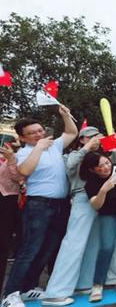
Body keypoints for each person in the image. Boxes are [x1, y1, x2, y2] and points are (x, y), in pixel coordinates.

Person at [41, 126, 116, 306]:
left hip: (102, 199)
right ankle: (56, 292)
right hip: (81, 198)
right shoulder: (73, 155)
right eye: (92, 137)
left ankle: (83, 284)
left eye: (99, 137)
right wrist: (87, 148)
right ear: (82, 139)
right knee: (74, 243)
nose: (97, 140)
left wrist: (115, 149)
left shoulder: (102, 157)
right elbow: (68, 166)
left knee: (93, 243)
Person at [2, 107, 77, 307]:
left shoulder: (54, 146)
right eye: (32, 133)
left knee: (47, 249)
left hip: (59, 204)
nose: (39, 134)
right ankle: (10, 295)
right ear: (23, 138)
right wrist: (38, 147)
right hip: (38, 206)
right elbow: (24, 171)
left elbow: (71, 133)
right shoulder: (24, 153)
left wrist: (65, 115)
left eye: (40, 130)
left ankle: (28, 288)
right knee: (30, 249)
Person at [81, 153, 116, 302]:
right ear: (93, 170)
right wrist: (104, 189)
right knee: (107, 247)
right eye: (101, 166)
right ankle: (97, 284)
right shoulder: (91, 183)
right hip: (108, 215)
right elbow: (95, 205)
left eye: (107, 163)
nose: (106, 167)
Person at [0, 138, 23, 298]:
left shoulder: (18, 157)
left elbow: (18, 178)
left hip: (8, 202)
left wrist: (11, 159)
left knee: (2, 246)